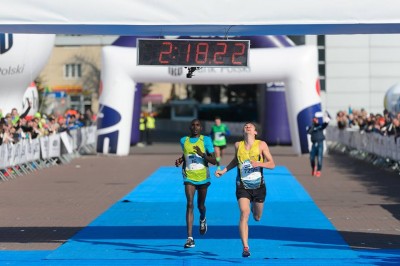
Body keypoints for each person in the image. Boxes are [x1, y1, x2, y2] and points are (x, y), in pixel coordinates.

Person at [215, 122, 275, 257]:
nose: (248, 127)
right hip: (242, 185)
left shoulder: (261, 144)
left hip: (259, 186)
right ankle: (246, 247)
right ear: (244, 131)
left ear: (255, 132)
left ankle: (254, 206)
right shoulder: (238, 145)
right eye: (246, 126)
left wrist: (259, 163)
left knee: (257, 217)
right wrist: (224, 170)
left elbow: (272, 164)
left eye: (251, 126)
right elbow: (236, 160)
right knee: (244, 212)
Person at [175, 119, 217, 249]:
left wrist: (202, 154)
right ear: (189, 127)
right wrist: (181, 159)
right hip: (189, 176)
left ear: (201, 128)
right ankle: (190, 238)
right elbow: (186, 153)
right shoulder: (184, 140)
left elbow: (214, 161)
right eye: (192, 125)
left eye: (198, 125)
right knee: (189, 204)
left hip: (203, 177)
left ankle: (203, 218)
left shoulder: (206, 140)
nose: (195, 127)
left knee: (200, 205)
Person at [306, 113, 330, 177]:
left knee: (319, 158)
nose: (316, 120)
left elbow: (325, 124)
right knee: (312, 158)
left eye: (316, 119)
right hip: (314, 144)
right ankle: (313, 168)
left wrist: (327, 119)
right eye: (314, 119)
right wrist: (313, 125)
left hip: (320, 143)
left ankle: (319, 170)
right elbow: (309, 132)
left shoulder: (320, 126)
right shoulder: (310, 127)